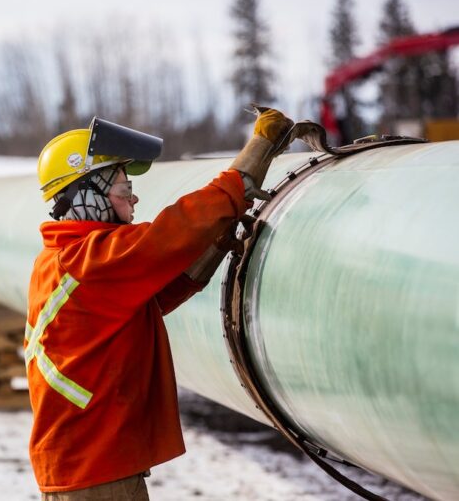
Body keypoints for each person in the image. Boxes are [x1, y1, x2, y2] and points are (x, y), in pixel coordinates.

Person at [25, 109, 294, 500]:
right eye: (122, 189)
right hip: (94, 470)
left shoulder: (61, 259)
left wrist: (217, 245)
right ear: (86, 195)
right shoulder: (90, 259)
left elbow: (150, 300)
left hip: (89, 462)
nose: (133, 198)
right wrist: (251, 162)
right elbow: (173, 231)